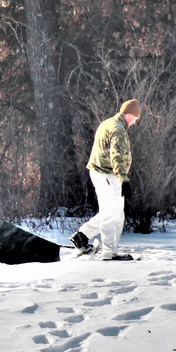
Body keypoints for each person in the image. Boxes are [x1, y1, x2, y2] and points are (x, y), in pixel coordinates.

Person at [70, 99, 141, 261]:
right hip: (109, 175)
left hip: (99, 173)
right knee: (113, 215)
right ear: (129, 115)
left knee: (112, 211)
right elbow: (116, 157)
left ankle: (82, 235)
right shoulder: (118, 131)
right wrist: (124, 179)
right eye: (135, 119)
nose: (135, 123)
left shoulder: (107, 123)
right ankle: (109, 254)